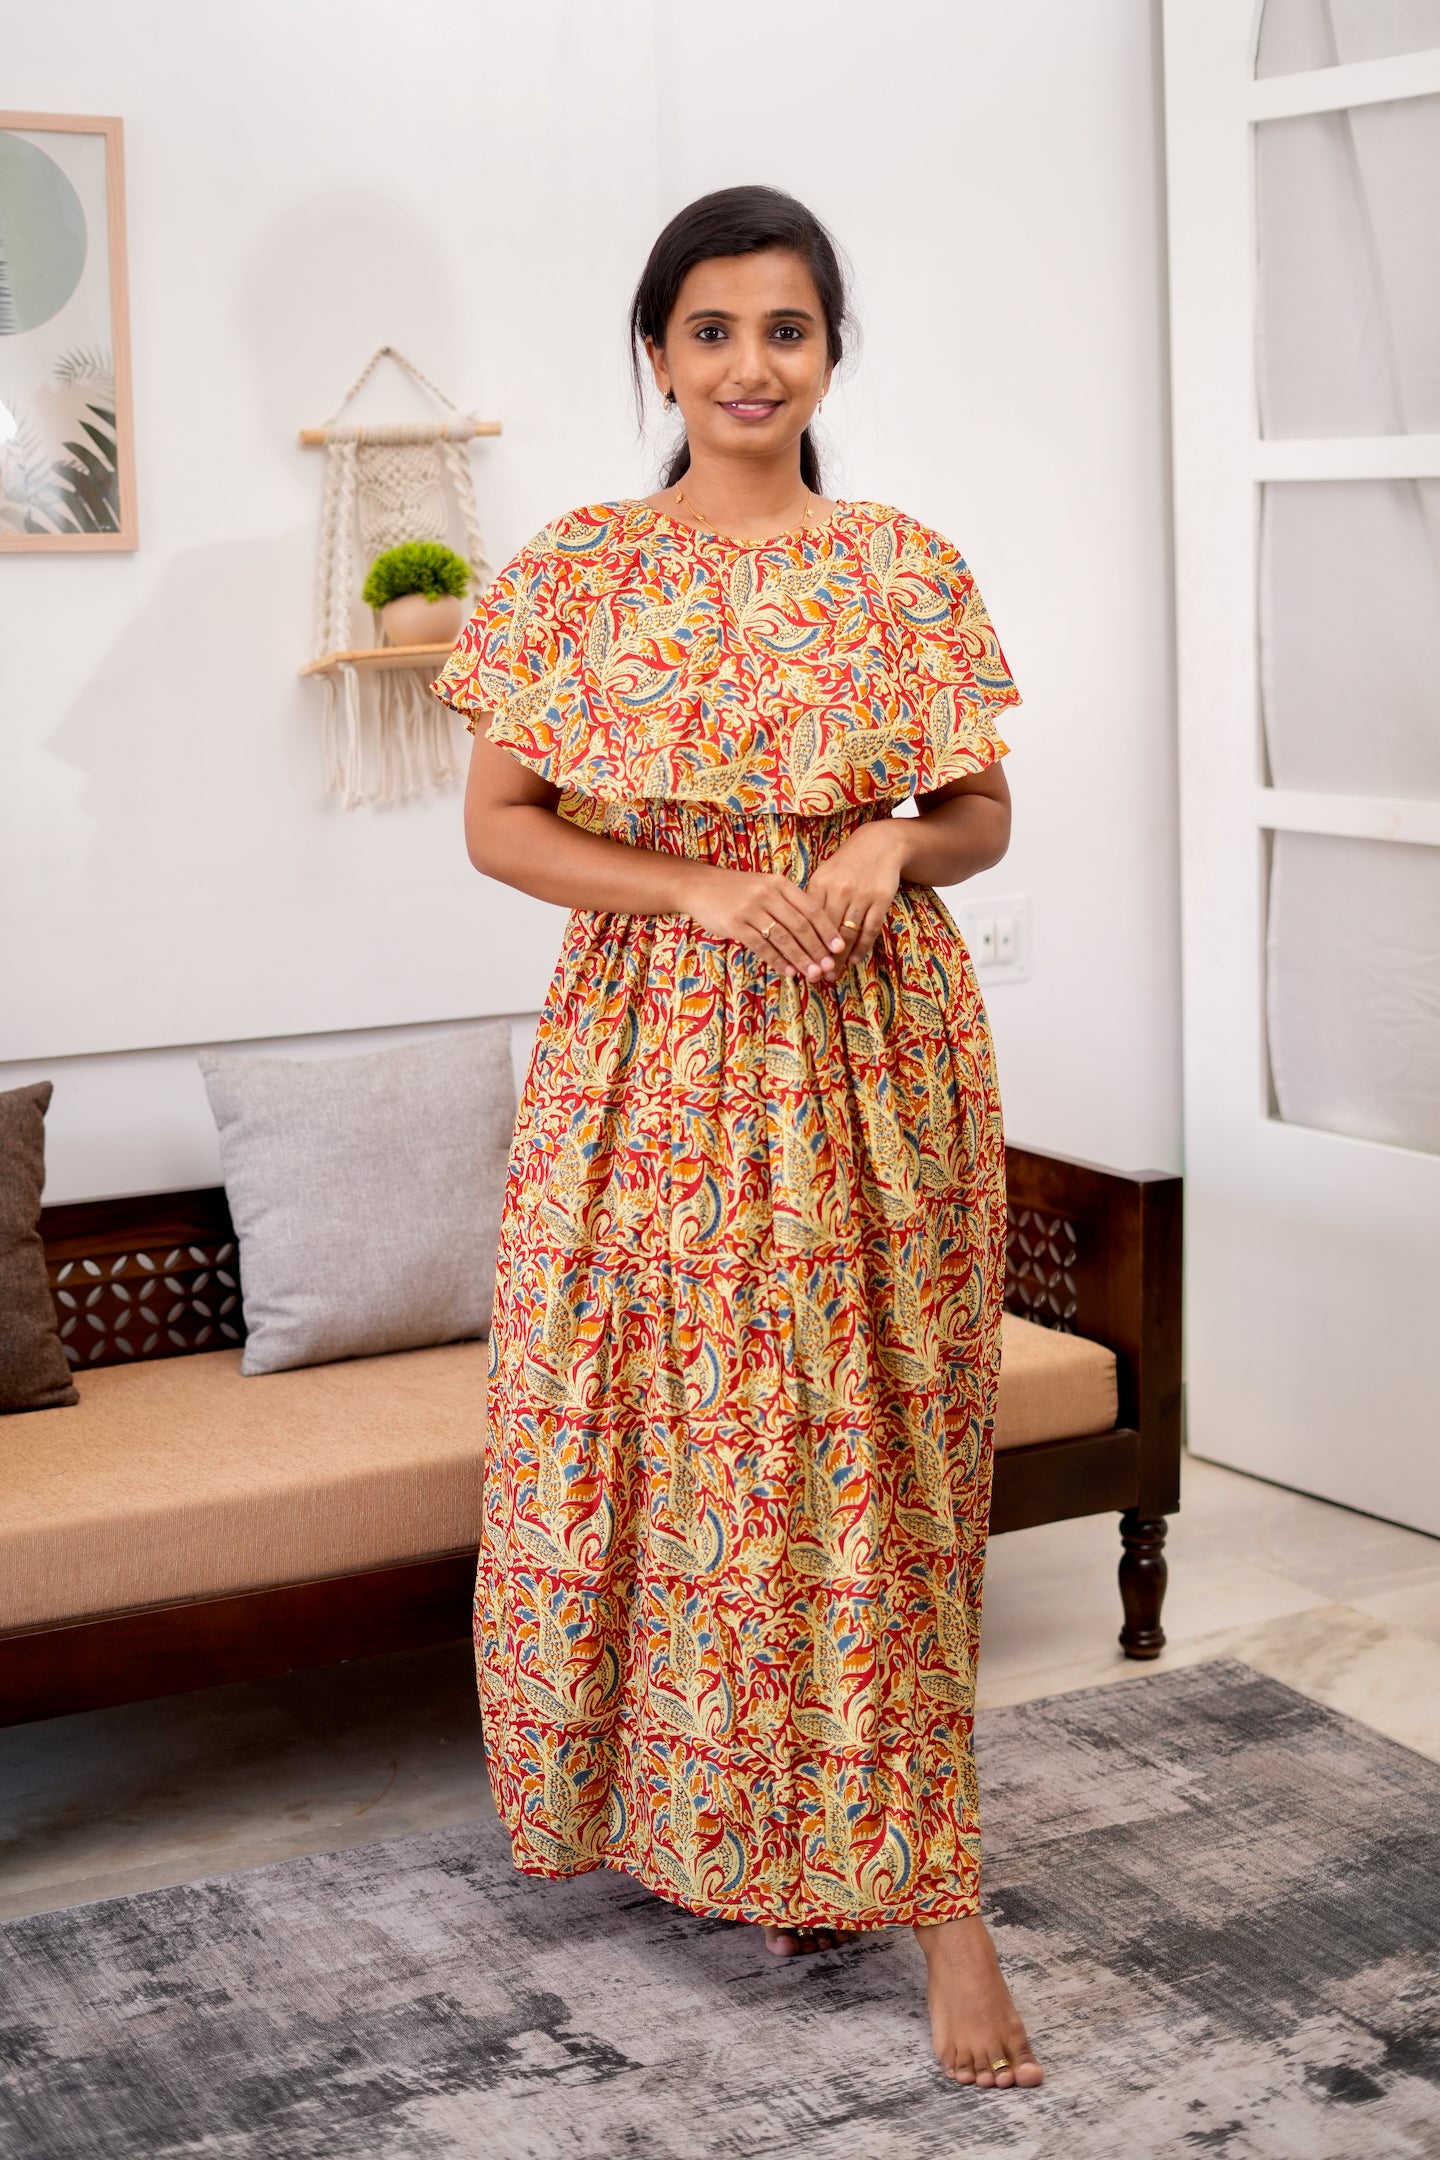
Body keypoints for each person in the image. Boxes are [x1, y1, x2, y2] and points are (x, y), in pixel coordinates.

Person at [433, 183, 1042, 2092]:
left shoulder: (903, 570)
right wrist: (695, 888)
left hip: (875, 1067)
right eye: (712, 331)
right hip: (651, 1074)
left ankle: (939, 1899)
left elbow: (982, 815)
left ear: (831, 354)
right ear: (657, 353)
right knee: (680, 1457)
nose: (750, 366)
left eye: (787, 329)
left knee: (873, 1459)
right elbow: (502, 827)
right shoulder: (578, 571)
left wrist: (891, 842)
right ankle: (768, 1838)